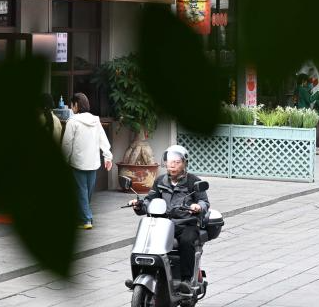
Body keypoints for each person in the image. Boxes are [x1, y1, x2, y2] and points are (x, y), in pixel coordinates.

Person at [130, 145, 209, 284]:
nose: (172, 165)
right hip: (163, 224)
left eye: (176, 162)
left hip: (186, 224)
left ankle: (186, 280)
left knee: (186, 241)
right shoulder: (160, 181)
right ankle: (143, 274)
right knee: (145, 240)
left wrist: (198, 207)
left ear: (184, 163)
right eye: (169, 162)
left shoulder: (194, 181)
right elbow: (149, 200)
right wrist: (139, 205)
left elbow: (204, 202)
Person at [61, 93, 112, 230]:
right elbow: (103, 140)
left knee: (81, 192)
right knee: (87, 192)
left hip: (77, 162)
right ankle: (83, 218)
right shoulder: (95, 120)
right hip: (93, 162)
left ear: (76, 105)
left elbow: (67, 144)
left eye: (72, 105)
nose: (71, 108)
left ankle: (86, 219)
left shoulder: (72, 122)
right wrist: (108, 156)